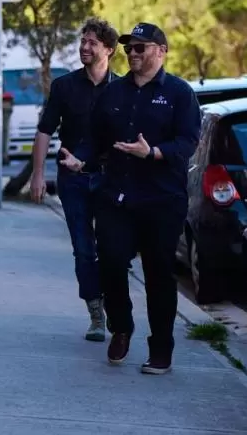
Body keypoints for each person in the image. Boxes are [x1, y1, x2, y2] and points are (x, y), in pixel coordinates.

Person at [60, 22, 201, 374]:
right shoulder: (113, 93)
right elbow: (96, 139)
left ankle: (161, 347)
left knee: (158, 274)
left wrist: (152, 152)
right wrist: (83, 161)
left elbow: (188, 142)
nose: (133, 54)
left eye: (141, 48)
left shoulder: (179, 93)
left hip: (161, 199)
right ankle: (121, 328)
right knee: (109, 263)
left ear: (161, 51)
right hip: (116, 196)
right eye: (129, 49)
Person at [28, 17, 120, 342]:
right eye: (83, 41)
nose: (85, 46)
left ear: (108, 49)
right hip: (73, 181)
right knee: (83, 249)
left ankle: (113, 300)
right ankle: (96, 314)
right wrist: (38, 175)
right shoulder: (65, 86)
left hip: (110, 181)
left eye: (93, 42)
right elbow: (44, 130)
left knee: (112, 249)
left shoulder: (122, 89)